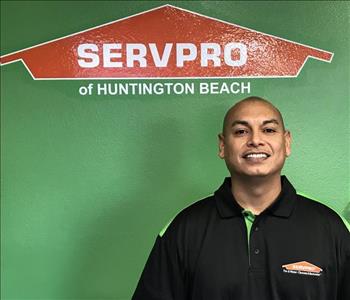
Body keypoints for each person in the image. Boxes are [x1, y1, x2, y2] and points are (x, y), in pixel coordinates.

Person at [132, 96, 350, 300]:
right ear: (222, 145)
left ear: (287, 142)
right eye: (241, 132)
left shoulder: (332, 228)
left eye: (268, 129)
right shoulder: (183, 229)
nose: (256, 140)